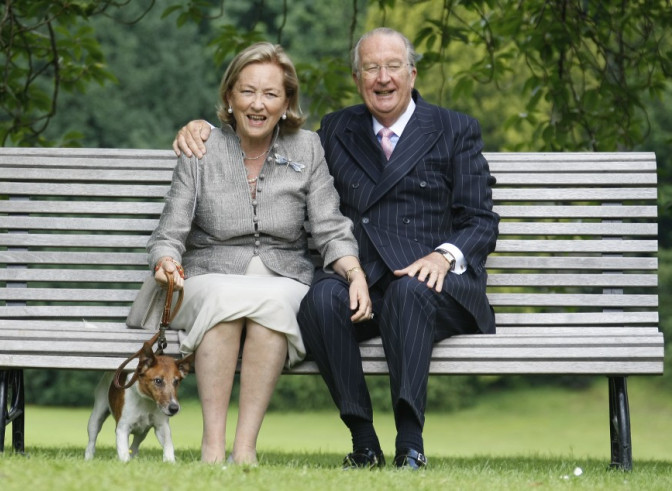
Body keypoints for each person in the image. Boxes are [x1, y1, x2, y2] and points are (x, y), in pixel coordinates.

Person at [173, 28, 499, 470]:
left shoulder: (454, 129)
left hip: (434, 284)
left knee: (409, 292)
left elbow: (480, 219)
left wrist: (444, 256)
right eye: (370, 68)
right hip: (364, 283)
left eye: (393, 67)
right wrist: (203, 128)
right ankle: (363, 441)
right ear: (357, 77)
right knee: (322, 298)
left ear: (412, 73)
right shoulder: (337, 130)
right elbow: (270, 146)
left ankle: (411, 444)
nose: (382, 78)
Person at [152, 42, 371, 465]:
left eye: (271, 94)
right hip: (206, 275)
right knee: (224, 302)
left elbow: (330, 227)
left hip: (282, 277)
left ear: (287, 102)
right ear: (229, 96)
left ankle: (245, 449)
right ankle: (212, 447)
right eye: (247, 91)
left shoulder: (307, 148)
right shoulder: (201, 148)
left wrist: (354, 272)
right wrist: (165, 261)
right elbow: (169, 231)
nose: (258, 104)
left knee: (272, 305)